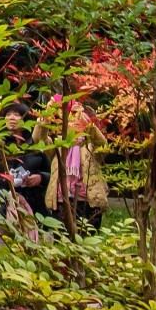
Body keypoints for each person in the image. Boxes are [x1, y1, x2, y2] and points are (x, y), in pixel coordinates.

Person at [37, 98, 108, 232]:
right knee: (60, 239)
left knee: (85, 238)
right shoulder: (57, 147)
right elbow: (39, 139)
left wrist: (88, 125)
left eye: (77, 121)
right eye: (70, 121)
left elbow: (103, 145)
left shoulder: (90, 147)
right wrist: (47, 114)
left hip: (87, 201)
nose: (73, 124)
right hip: (60, 201)